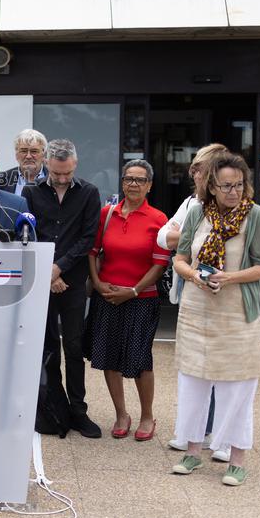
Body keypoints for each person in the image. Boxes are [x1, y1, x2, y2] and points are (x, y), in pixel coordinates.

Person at [170, 154, 260, 486]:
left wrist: (230, 278)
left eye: (239, 185)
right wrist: (195, 277)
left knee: (237, 387)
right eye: (226, 185)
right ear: (211, 186)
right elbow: (180, 259)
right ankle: (192, 452)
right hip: (197, 310)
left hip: (236, 315)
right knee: (193, 384)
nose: (234, 192)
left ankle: (237, 458)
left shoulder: (254, 215)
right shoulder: (197, 213)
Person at [85, 159, 169, 441]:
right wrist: (97, 284)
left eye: (140, 180)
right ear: (122, 183)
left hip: (141, 299)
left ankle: (147, 415)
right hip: (107, 295)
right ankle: (121, 413)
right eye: (129, 179)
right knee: (109, 356)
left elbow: (159, 265)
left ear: (149, 186)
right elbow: (93, 252)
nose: (133, 184)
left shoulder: (158, 219)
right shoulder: (107, 213)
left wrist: (132, 291)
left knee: (140, 359)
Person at [23, 139, 102, 438]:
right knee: (48, 347)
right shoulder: (31, 192)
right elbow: (28, 235)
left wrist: (59, 268)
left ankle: (79, 411)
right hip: (43, 281)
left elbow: (88, 237)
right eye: (57, 173)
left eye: (67, 173)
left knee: (72, 345)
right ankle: (56, 407)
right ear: (47, 165)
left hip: (71, 282)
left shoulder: (90, 192)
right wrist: (48, 272)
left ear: (75, 165)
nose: (62, 178)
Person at [157, 143, 231, 460]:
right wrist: (190, 232)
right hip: (194, 290)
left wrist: (184, 234)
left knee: (224, 368)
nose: (192, 173)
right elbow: (163, 237)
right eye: (193, 168)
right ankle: (197, 432)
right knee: (196, 365)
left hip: (226, 293)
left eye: (198, 168)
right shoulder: (191, 203)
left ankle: (225, 438)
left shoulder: (235, 205)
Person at [0, 128, 48, 195]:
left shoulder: (54, 178)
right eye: (24, 151)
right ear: (16, 155)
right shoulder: (0, 180)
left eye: (34, 151)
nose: (28, 156)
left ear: (44, 155)